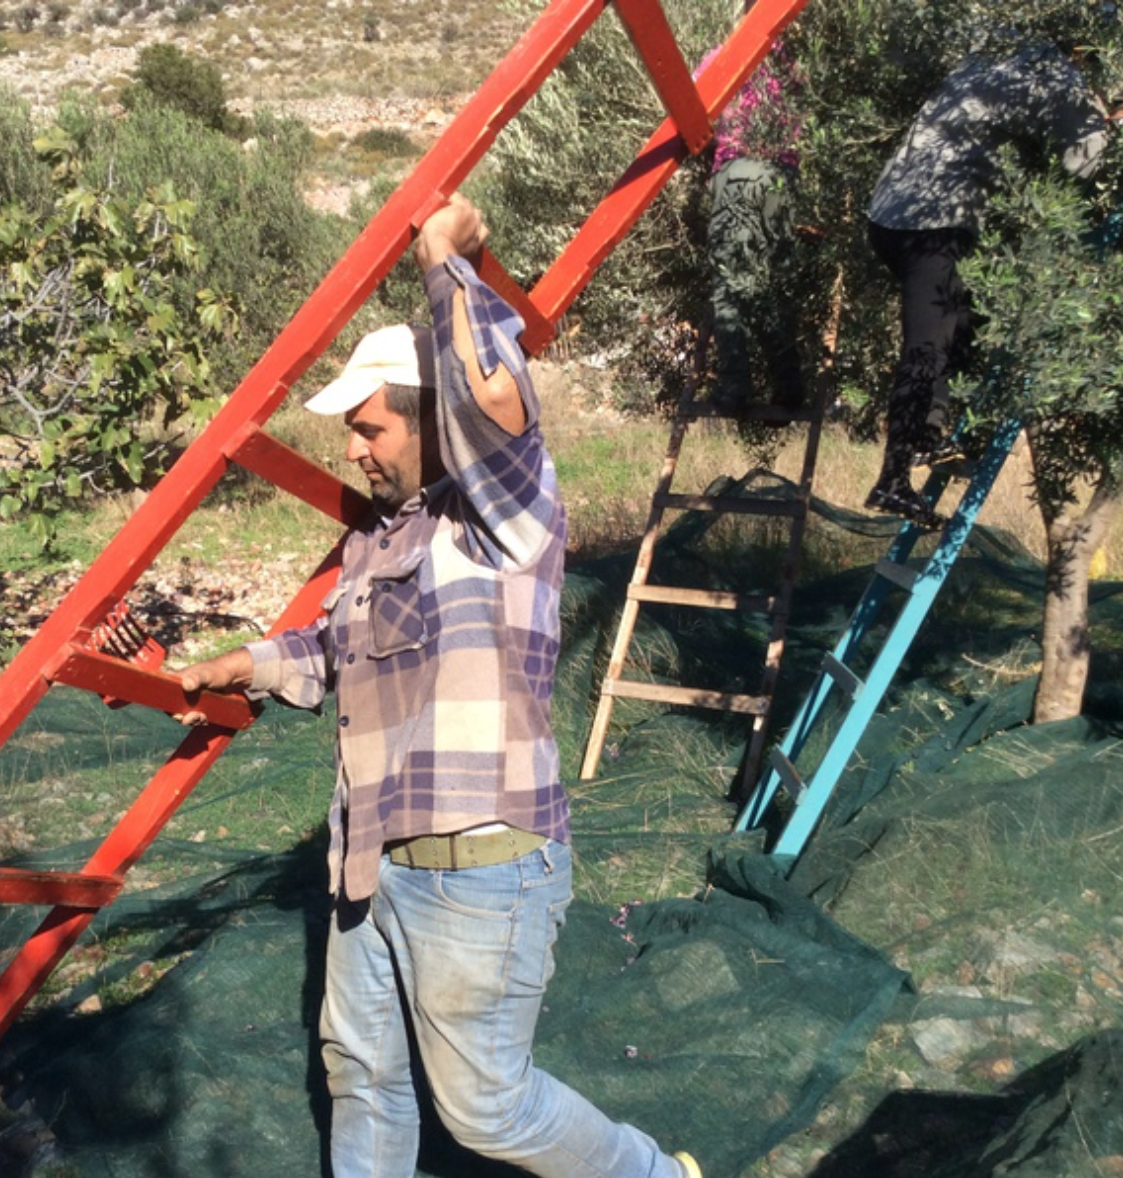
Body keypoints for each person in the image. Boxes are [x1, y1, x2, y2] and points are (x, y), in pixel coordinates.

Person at [175, 193, 702, 1178]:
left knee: (488, 1111)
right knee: (362, 1073)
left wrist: (439, 262)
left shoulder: (503, 517)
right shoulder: (379, 540)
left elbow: (496, 405)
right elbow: (333, 649)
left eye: (370, 426)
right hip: (370, 862)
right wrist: (246, 662)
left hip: (480, 869)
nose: (352, 447)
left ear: (429, 421)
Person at [864, 42, 1115, 529]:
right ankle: (891, 481)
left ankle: (933, 434)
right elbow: (1082, 164)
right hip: (932, 223)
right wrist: (1102, 122)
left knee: (965, 318)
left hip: (893, 213)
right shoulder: (1055, 72)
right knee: (928, 345)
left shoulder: (998, 49)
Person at [699, 21, 808, 414]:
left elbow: (694, 109)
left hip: (739, 172)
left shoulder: (724, 57)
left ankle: (735, 387)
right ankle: (788, 383)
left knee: (730, 283)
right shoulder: (794, 61)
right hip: (781, 177)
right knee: (774, 281)